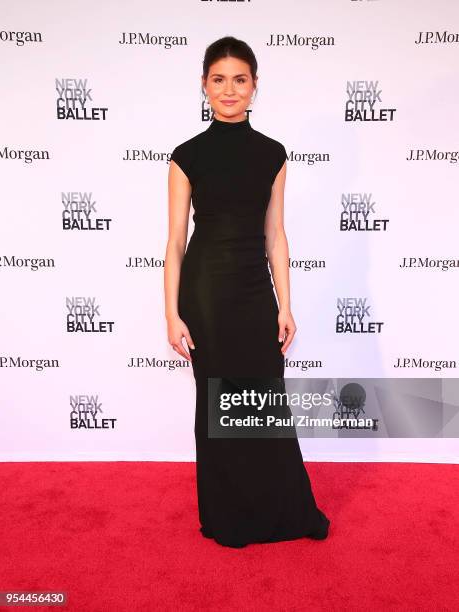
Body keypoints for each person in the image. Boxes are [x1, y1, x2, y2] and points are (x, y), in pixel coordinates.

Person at [164, 36, 330, 548]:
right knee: (217, 405)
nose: (229, 90)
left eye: (240, 80)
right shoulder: (186, 156)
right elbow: (174, 242)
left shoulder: (274, 155)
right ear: (204, 86)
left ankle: (278, 510)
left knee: (263, 401)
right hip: (207, 294)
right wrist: (171, 314)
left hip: (255, 292)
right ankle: (229, 517)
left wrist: (286, 304)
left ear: (255, 87)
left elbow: (275, 234)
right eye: (219, 80)